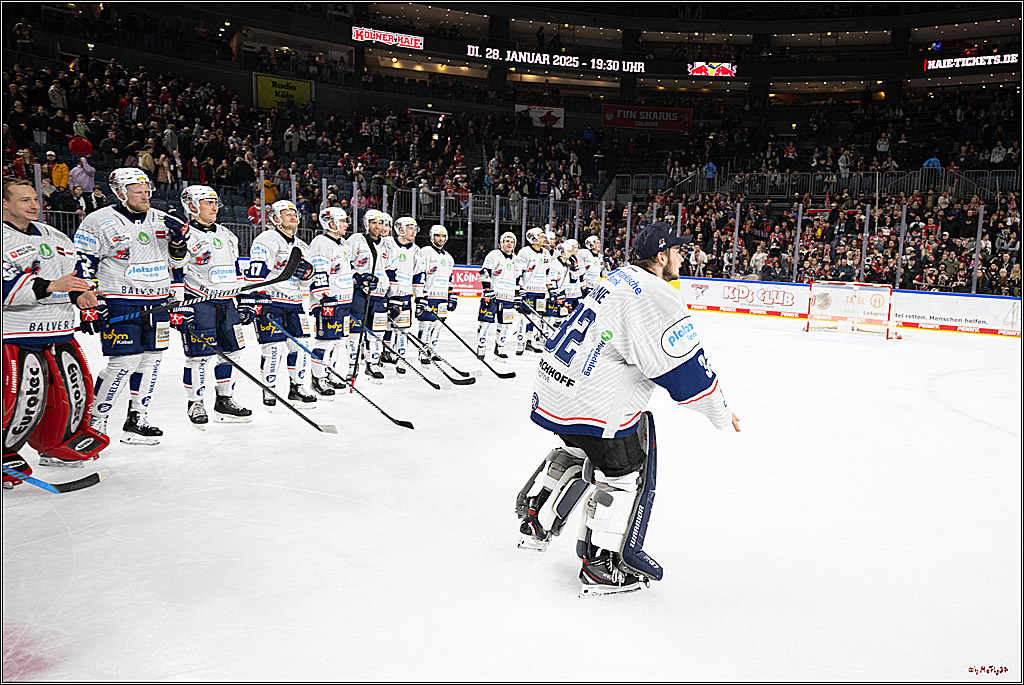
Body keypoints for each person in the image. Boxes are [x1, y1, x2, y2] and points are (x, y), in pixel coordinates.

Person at [516, 222, 741, 597]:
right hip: (592, 402)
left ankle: (537, 516)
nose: (682, 256)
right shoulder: (656, 294)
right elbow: (681, 368)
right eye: (677, 250)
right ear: (661, 255)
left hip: (556, 388)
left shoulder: (618, 277)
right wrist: (719, 409)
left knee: (577, 447)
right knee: (623, 472)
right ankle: (600, 566)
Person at [2, 178, 109, 487]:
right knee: (21, 399)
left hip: (60, 330)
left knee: (75, 391)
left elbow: (74, 274)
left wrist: (81, 296)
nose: (34, 204)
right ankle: (5, 452)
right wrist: (50, 286)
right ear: (4, 204)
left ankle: (59, 443)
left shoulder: (55, 234)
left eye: (34, 198)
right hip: (15, 334)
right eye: (24, 200)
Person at [75, 168, 188, 445]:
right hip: (119, 300)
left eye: (146, 189)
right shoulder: (98, 220)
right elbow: (83, 262)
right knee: (123, 362)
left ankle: (137, 418)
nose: (144, 194)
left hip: (158, 302)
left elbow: (177, 263)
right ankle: (96, 421)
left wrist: (178, 242)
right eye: (137, 190)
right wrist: (91, 301)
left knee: (151, 361)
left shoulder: (163, 219)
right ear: (120, 192)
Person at [172, 185, 253, 427]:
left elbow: (236, 270)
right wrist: (178, 305)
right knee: (199, 357)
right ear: (192, 206)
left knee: (233, 352)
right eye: (208, 203)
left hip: (227, 303)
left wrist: (244, 299)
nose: (215, 207)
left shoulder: (228, 235)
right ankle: (195, 402)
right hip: (199, 303)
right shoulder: (184, 235)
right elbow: (175, 270)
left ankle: (224, 400)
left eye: (215, 202)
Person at [242, 199, 317, 406]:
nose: (292, 216)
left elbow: (308, 281)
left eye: (294, 212)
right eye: (286, 213)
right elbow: (256, 275)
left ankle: (297, 387)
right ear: (275, 218)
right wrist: (256, 298)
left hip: (294, 303)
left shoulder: (302, 246)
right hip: (271, 302)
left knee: (300, 346)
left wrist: (308, 273)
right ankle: (269, 388)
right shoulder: (266, 239)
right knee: (273, 348)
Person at [308, 206, 355, 398]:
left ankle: (330, 372)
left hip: (344, 301)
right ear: (331, 223)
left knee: (337, 341)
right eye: (342, 221)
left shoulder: (343, 244)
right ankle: (318, 377)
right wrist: (324, 297)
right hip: (329, 302)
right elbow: (319, 273)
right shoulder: (321, 242)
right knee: (325, 341)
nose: (346, 225)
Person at [347, 209, 391, 382]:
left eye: (380, 223)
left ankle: (372, 363)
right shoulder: (355, 241)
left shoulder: (388, 244)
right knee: (355, 331)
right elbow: (345, 263)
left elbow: (391, 270)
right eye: (374, 223)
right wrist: (358, 278)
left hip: (380, 294)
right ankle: (352, 364)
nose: (377, 226)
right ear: (366, 224)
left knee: (378, 332)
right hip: (360, 293)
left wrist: (392, 297)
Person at [381, 216, 420, 374]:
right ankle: (383, 353)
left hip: (404, 296)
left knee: (403, 329)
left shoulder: (416, 250)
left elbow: (418, 275)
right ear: (400, 229)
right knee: (383, 327)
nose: (413, 231)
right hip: (385, 294)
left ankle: (401, 359)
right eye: (410, 227)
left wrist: (420, 297)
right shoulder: (388, 244)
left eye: (414, 227)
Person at [413, 224, 456, 364]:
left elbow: (450, 278)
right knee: (426, 325)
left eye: (443, 236)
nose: (441, 238)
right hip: (429, 295)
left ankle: (431, 349)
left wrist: (452, 296)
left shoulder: (449, 258)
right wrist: (420, 295)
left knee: (438, 325)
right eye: (438, 236)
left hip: (442, 296)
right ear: (432, 237)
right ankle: (422, 351)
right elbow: (419, 274)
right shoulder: (425, 252)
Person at [476, 231, 520, 360]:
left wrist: (517, 295)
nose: (509, 244)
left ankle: (499, 348)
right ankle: (481, 347)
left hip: (508, 298)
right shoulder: (494, 255)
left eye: (512, 242)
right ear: (501, 243)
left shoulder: (517, 261)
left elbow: (518, 279)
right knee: (485, 323)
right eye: (507, 241)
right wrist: (487, 289)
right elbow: (484, 272)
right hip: (493, 296)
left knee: (505, 325)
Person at [515, 227, 551, 354]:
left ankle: (530, 341)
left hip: (541, 291)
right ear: (533, 238)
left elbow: (548, 272)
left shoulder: (546, 253)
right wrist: (519, 289)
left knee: (536, 317)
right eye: (541, 236)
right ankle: (521, 342)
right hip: (528, 290)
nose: (543, 238)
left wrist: (549, 288)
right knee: (524, 317)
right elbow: (518, 272)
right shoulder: (524, 252)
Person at [579, 235, 604, 299]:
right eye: (597, 243)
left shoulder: (600, 257)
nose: (599, 245)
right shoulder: (584, 253)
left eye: (599, 243)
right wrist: (582, 285)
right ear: (591, 244)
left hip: (595, 287)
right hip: (585, 286)